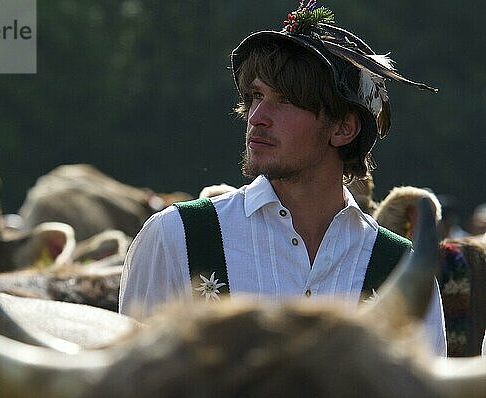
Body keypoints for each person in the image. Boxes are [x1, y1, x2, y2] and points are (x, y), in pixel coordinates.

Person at [120, 1, 446, 355]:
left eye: (285, 100)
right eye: (256, 96)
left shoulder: (401, 267)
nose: (257, 116)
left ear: (343, 128)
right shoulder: (175, 236)